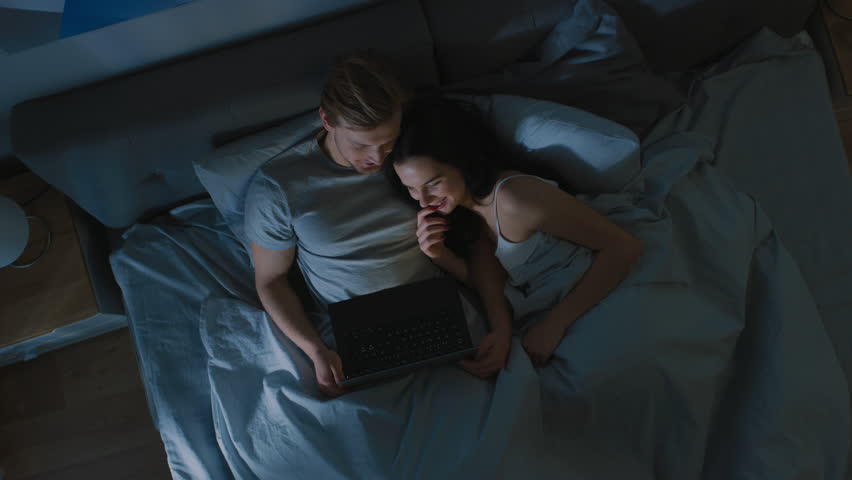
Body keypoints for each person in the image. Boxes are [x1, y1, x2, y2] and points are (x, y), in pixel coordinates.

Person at [244, 52, 512, 397]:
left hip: (437, 303)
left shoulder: (412, 157)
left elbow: (478, 237)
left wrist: (501, 326)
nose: (376, 158)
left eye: (387, 141)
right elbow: (270, 280)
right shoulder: (279, 187)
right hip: (352, 325)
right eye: (361, 145)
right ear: (327, 119)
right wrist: (314, 350)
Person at [384, 95, 642, 366]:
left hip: (600, 289)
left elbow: (624, 247)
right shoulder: (469, 212)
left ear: (461, 162)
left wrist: (555, 324)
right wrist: (440, 256)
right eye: (412, 189)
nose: (423, 201)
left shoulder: (513, 197)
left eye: (433, 183)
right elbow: (490, 281)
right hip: (554, 307)